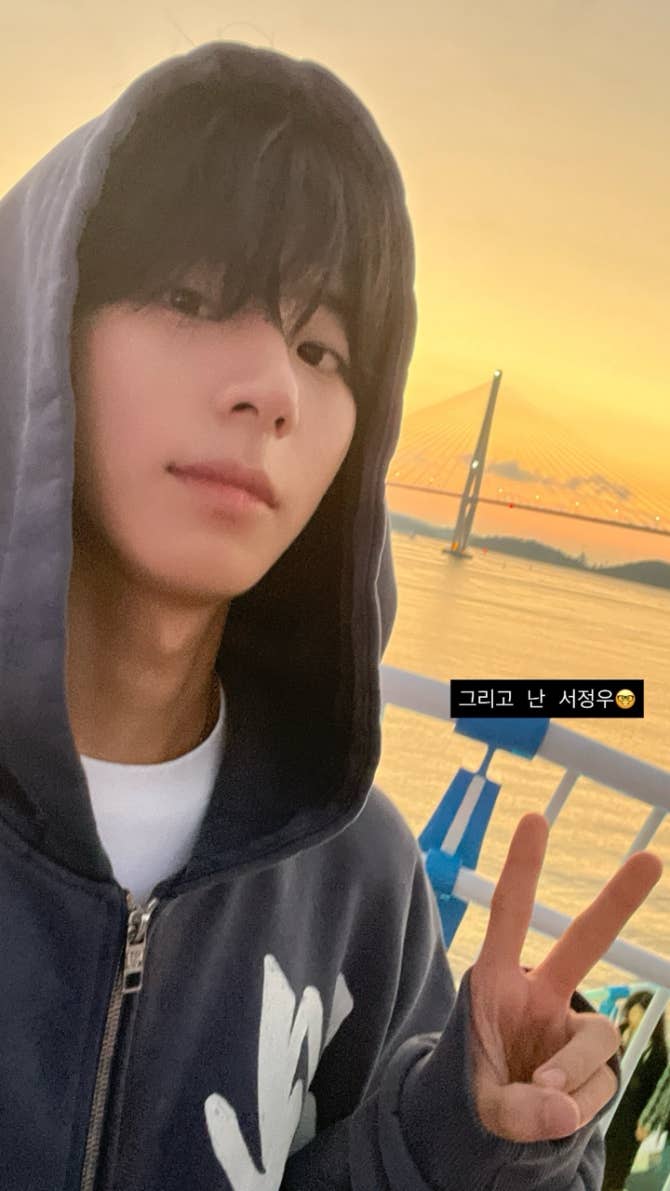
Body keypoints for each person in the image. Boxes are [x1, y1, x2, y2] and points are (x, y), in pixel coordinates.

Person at [0, 39, 662, 1191]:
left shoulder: (363, 886)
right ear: (37, 330)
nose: (273, 388)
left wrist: (468, 1145)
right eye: (189, 298)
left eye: (322, 348)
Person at [602, 992, 668, 1190]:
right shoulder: (615, 1035)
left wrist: (647, 1122)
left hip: (630, 1123)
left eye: (641, 1015)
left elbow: (658, 1092)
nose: (635, 1020)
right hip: (604, 1109)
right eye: (633, 1013)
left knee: (616, 1168)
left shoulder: (658, 1053)